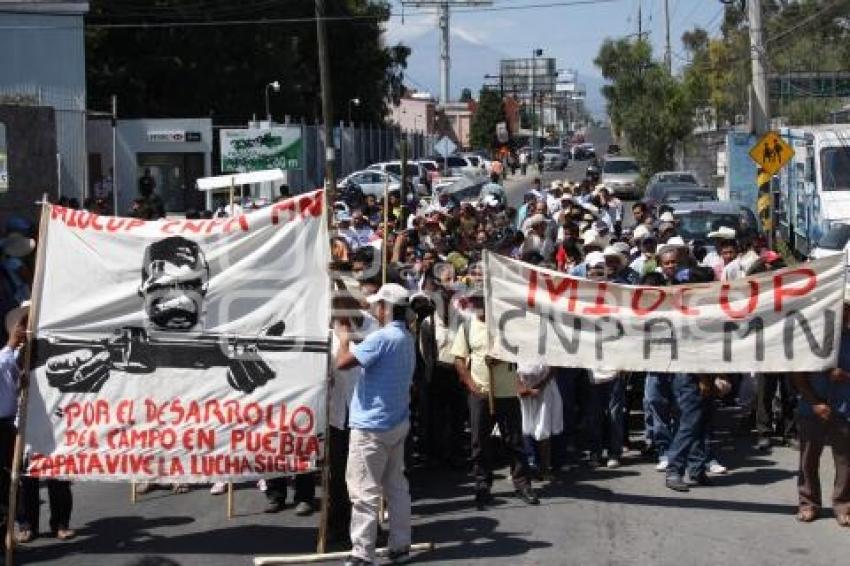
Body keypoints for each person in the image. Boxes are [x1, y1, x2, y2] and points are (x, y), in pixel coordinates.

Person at [336, 283, 416, 566]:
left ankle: (362, 553)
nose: (375, 309)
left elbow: (343, 362)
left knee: (363, 491)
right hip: (395, 421)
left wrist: (343, 338)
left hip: (372, 426)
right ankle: (400, 544)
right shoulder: (406, 337)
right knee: (395, 486)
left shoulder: (383, 338)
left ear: (387, 308)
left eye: (379, 305)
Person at [453, 292, 539, 508]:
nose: (480, 305)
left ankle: (522, 484)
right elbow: (459, 360)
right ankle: (482, 485)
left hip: (507, 393)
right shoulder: (466, 327)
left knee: (515, 441)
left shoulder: (507, 326)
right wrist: (471, 385)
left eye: (483, 300)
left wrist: (500, 356)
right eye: (476, 301)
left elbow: (522, 350)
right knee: (479, 442)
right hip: (480, 394)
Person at [791, 293, 850, 526]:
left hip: (845, 408)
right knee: (808, 459)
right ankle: (808, 503)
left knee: (845, 461)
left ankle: (843, 504)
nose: (843, 312)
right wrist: (814, 402)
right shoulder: (811, 338)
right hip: (811, 408)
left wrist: (844, 376)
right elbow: (798, 376)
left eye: (846, 308)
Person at [1, 301, 27, 534]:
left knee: (18, 474)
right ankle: (14, 522)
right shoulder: (5, 357)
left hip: (16, 423)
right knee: (6, 478)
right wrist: (11, 343)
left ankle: (18, 520)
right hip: (3, 425)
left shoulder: (21, 355)